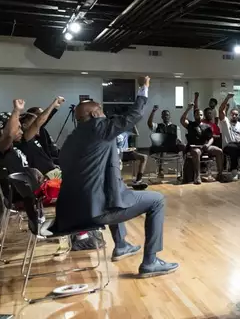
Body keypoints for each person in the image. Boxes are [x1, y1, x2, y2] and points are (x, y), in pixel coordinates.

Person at [55, 76, 179, 278]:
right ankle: (150, 262)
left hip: (71, 211)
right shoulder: (99, 127)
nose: (105, 115)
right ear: (96, 113)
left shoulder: (72, 138)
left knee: (116, 194)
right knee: (157, 200)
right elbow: (135, 114)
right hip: (92, 211)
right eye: (102, 111)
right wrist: (143, 88)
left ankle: (121, 245)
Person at [181, 102, 224, 183]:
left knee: (219, 151)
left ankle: (220, 174)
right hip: (195, 147)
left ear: (203, 116)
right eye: (197, 114)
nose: (199, 116)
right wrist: (188, 109)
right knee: (196, 152)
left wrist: (207, 145)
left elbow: (211, 138)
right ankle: (197, 176)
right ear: (194, 116)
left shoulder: (207, 126)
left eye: (200, 114)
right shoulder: (190, 124)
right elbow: (182, 120)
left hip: (205, 146)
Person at [147, 106, 183, 177]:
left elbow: (178, 140)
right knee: (163, 149)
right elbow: (149, 123)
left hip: (172, 147)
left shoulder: (176, 127)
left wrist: (181, 145)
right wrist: (153, 111)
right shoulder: (158, 126)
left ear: (169, 116)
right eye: (164, 115)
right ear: (162, 117)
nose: (165, 117)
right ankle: (161, 170)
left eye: (167, 115)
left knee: (183, 147)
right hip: (161, 147)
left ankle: (183, 170)